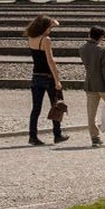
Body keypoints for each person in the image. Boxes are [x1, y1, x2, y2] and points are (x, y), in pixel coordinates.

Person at [24, 15, 68, 146]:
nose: (51, 29)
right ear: (44, 27)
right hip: (48, 77)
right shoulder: (46, 40)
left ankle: (32, 136)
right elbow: (50, 61)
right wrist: (57, 80)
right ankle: (57, 134)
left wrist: (52, 22)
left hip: (36, 75)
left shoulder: (31, 38)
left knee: (35, 109)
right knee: (56, 105)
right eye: (49, 27)